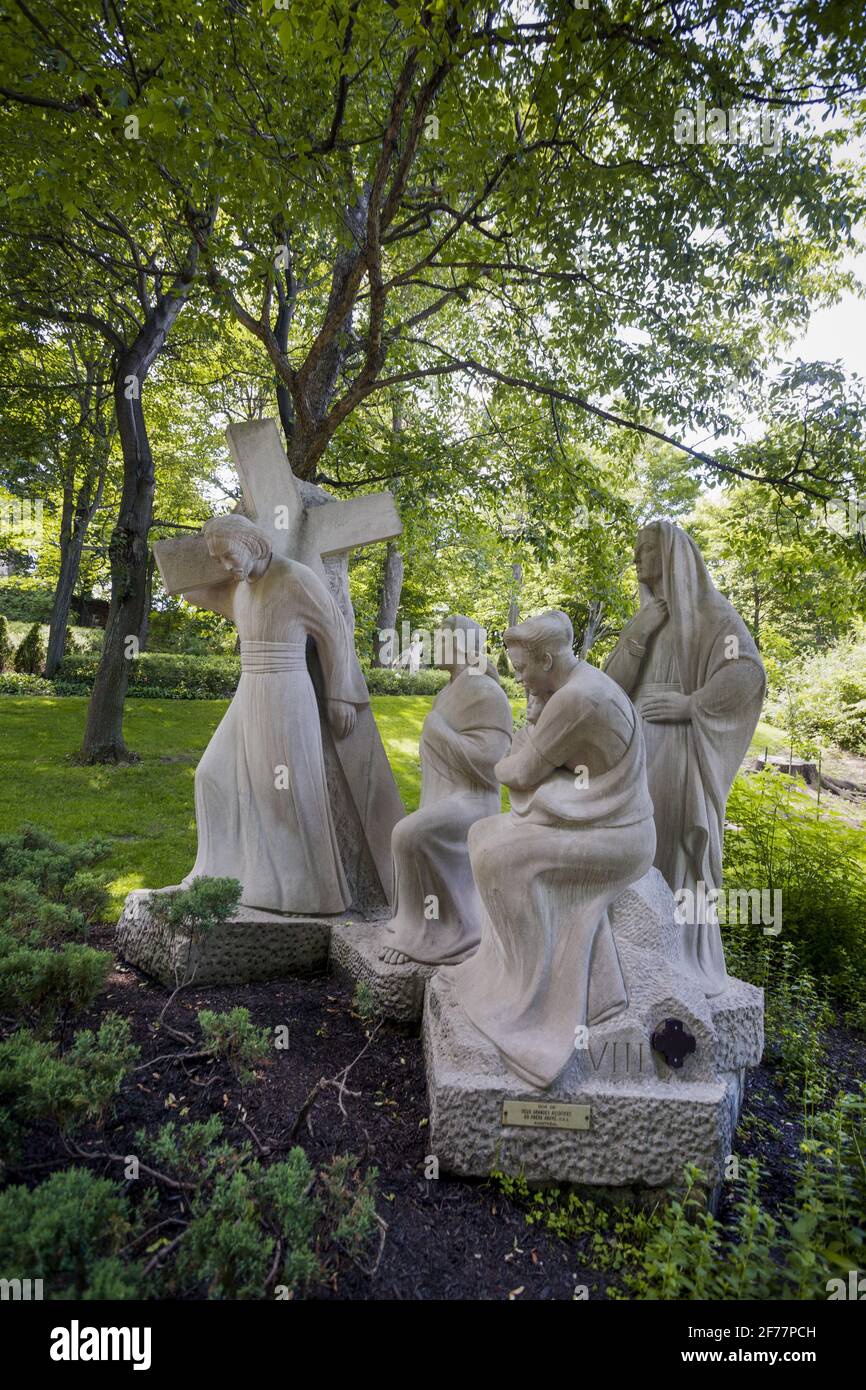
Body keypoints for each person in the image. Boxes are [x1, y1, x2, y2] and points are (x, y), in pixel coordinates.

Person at [453, 610, 655, 1089]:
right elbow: (540, 761)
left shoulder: (579, 700)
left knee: (500, 855)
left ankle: (530, 998)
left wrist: (510, 759)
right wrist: (528, 743)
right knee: (483, 833)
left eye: (523, 669)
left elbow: (519, 773)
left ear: (547, 657)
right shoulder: (572, 687)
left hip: (616, 838)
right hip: (592, 819)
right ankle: (503, 971)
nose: (519, 678)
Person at [605, 520, 766, 995]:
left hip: (675, 756)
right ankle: (626, 958)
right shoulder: (648, 615)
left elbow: (746, 673)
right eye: (635, 552)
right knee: (625, 849)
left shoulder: (709, 613)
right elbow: (609, 687)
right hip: (631, 753)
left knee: (666, 850)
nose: (636, 560)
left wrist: (690, 704)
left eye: (645, 550)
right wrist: (637, 634)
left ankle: (673, 958)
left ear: (671, 553)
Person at [180, 513, 367, 914]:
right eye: (218, 560)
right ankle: (222, 871)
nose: (225, 566)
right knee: (211, 773)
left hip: (285, 691)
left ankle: (304, 892)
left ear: (251, 542)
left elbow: (334, 629)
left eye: (228, 555)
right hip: (250, 688)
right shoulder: (241, 587)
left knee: (282, 791)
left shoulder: (294, 577)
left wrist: (339, 695)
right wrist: (177, 570)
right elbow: (197, 593)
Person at [380, 615, 513, 965]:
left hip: (474, 801)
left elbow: (492, 765)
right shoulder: (447, 693)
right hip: (449, 798)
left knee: (409, 834)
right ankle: (415, 924)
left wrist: (440, 733)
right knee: (407, 834)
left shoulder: (486, 693)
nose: (433, 645)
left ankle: (443, 930)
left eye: (440, 639)